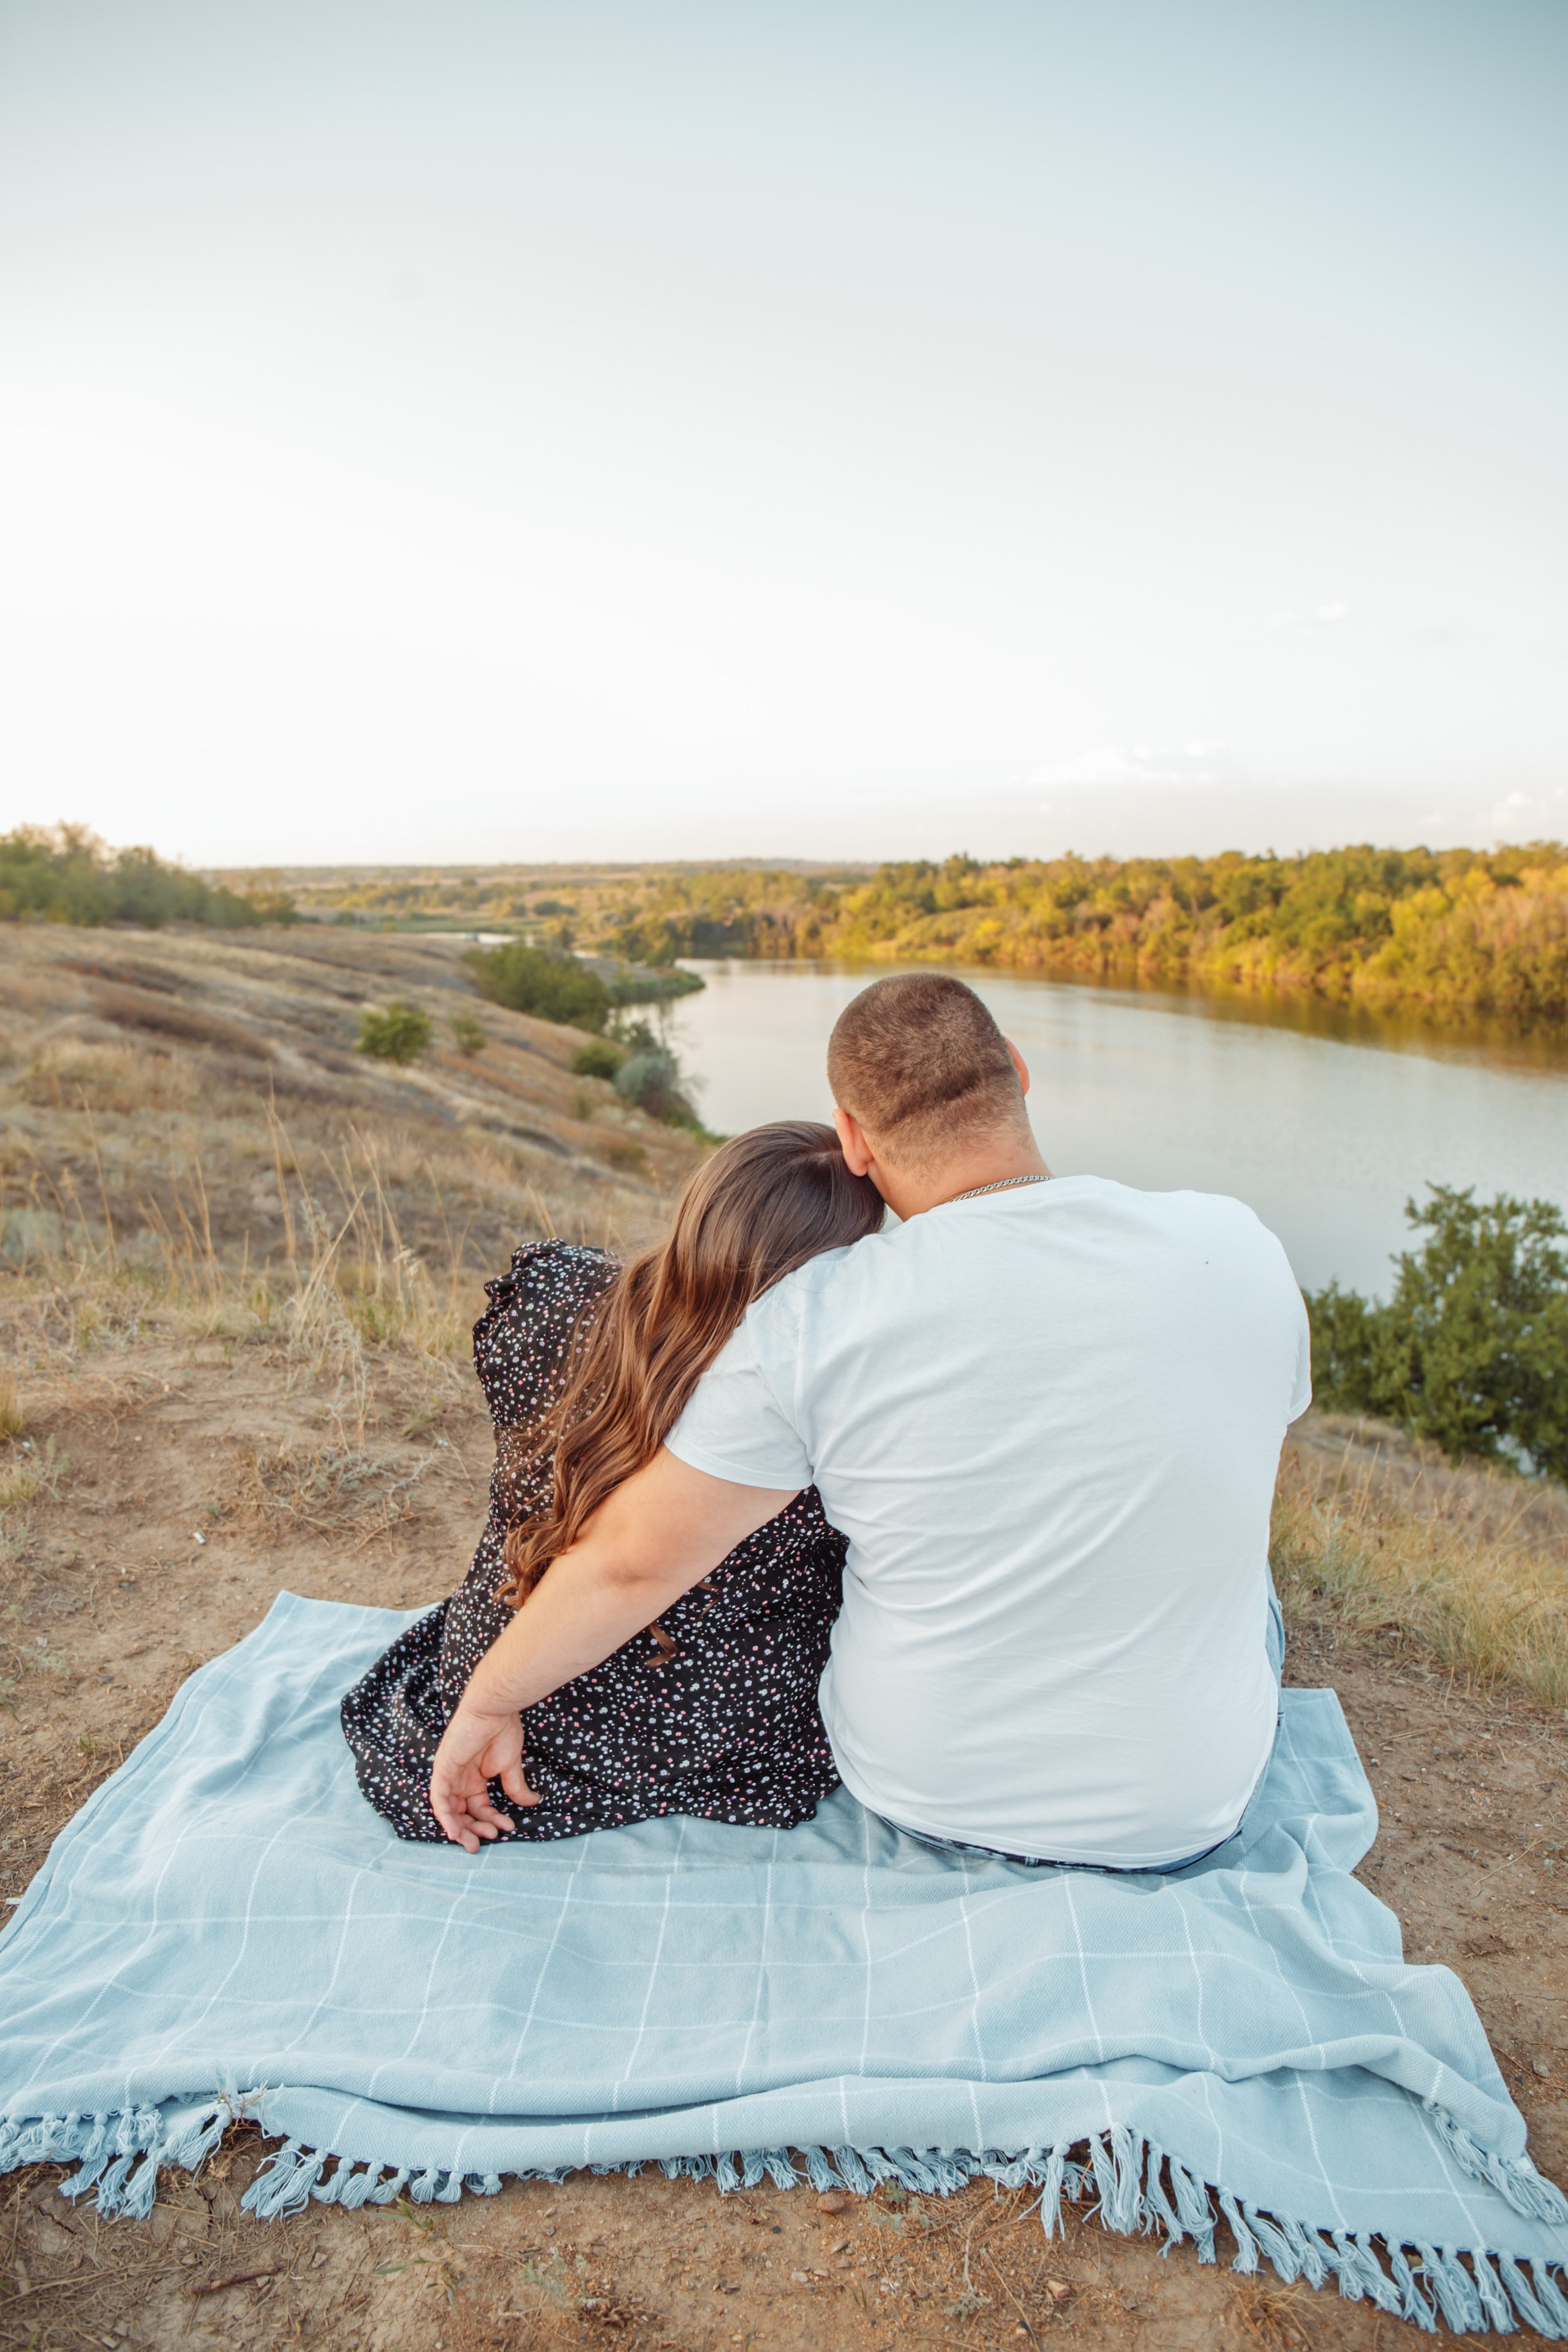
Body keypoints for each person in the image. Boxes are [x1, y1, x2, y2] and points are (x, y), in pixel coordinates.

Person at [429, 972, 1310, 1872]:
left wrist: (490, 1700)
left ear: (852, 1139)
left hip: (923, 1792)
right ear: (1017, 1071)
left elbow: (631, 1566)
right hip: (1186, 1810)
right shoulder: (1238, 1244)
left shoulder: (812, 1318)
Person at [341, 1121, 883, 1847]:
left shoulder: (555, 1297)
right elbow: (631, 1568)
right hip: (685, 1725)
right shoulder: (823, 1398)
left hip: (499, 1649)